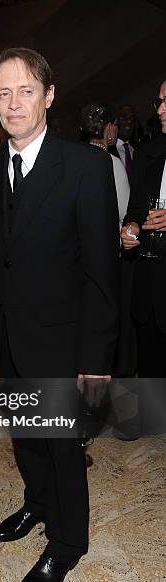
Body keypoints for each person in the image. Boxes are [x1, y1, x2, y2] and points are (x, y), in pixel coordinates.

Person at [0, 48, 119, 582]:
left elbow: (103, 275)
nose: (12, 104)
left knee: (61, 446)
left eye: (25, 91)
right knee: (26, 437)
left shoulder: (85, 167)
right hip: (9, 336)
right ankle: (36, 502)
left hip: (63, 342)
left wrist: (95, 363)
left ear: (49, 97)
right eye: (2, 93)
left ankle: (67, 541)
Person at [120, 80, 166, 436]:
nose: (160, 110)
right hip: (150, 270)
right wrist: (132, 227)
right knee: (148, 345)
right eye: (159, 101)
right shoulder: (149, 152)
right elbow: (134, 208)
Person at [81, 102, 130, 226]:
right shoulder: (112, 162)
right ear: (108, 128)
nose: (117, 129)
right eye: (115, 125)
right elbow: (125, 212)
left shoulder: (75, 158)